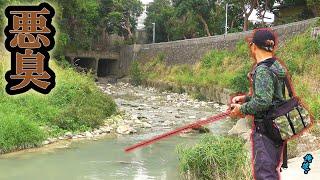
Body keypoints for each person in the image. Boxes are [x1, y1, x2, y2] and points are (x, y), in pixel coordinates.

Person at [230, 28, 288, 180]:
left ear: (254, 46)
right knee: (271, 170)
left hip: (266, 131)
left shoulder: (263, 70)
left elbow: (263, 101)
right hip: (277, 127)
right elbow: (272, 96)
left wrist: (241, 110)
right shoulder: (276, 66)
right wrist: (246, 98)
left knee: (265, 173)